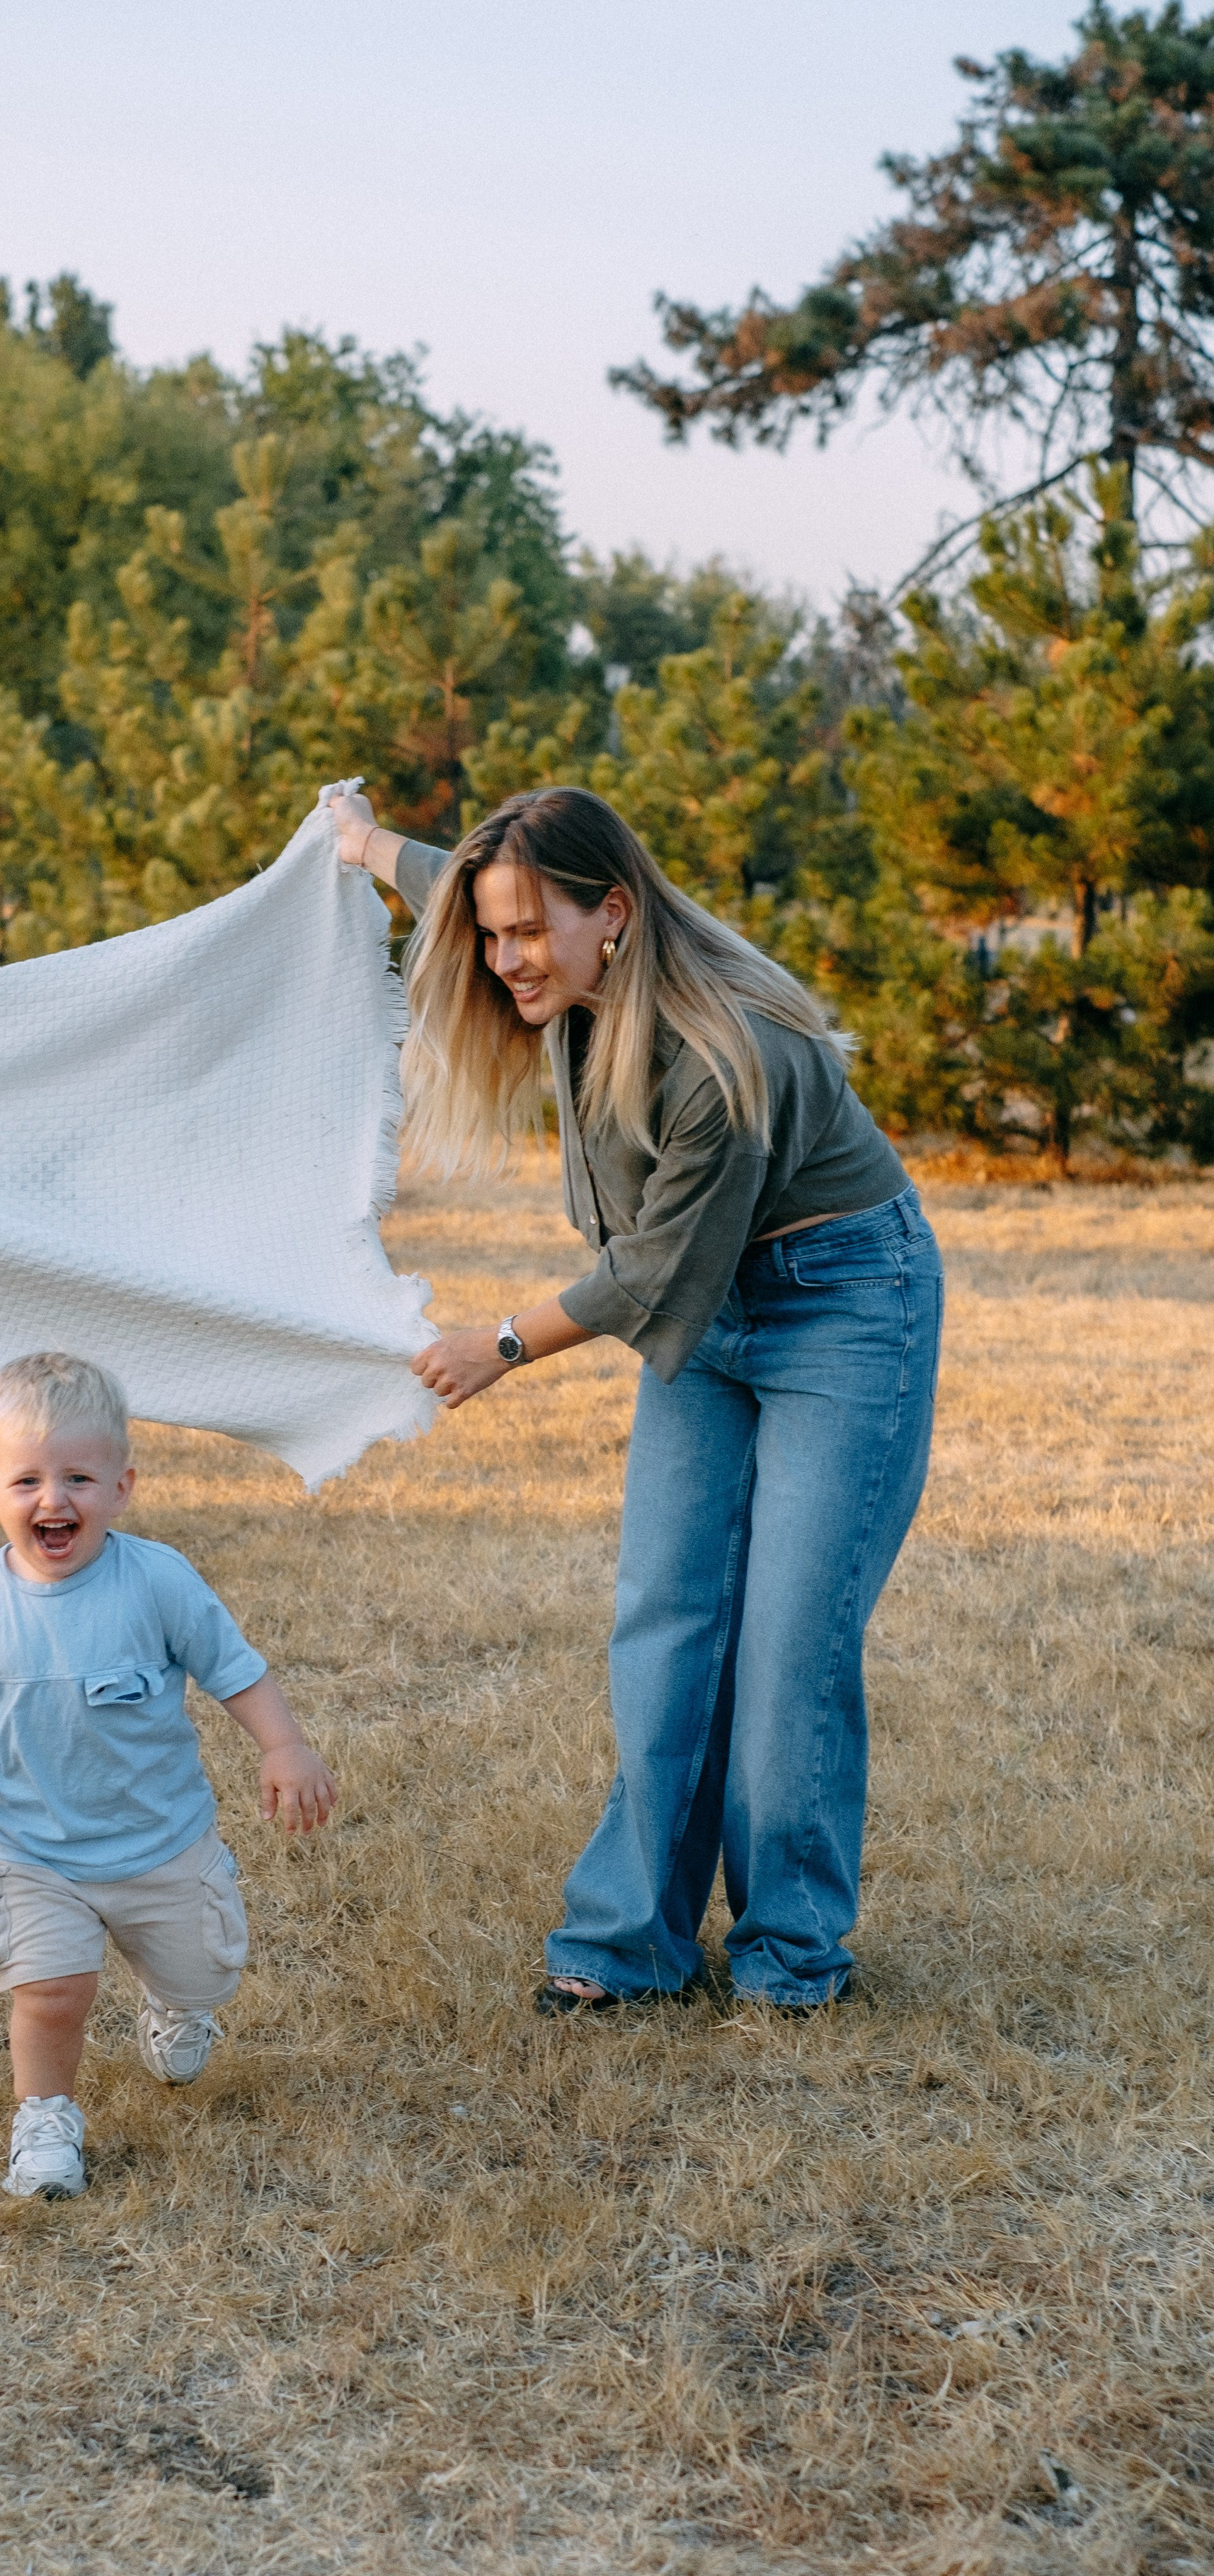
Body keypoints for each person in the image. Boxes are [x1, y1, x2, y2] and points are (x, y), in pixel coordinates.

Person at [328, 785, 943, 2015]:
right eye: (489, 934)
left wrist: (499, 1344)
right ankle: (629, 1945)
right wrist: (359, 841)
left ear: (610, 913)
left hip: (843, 1305)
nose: (502, 961)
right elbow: (455, 876)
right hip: (709, 1320)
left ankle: (789, 1956)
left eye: (526, 934)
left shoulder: (721, 1053)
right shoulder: (557, 947)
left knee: (788, 1647)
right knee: (665, 1619)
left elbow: (653, 1267)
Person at [0, 1350, 334, 2198]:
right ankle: (44, 2122)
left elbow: (233, 1668)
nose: (53, 1500)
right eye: (26, 1480)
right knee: (53, 1990)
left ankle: (176, 2005)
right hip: (39, 1854)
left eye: (78, 1477)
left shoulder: (156, 1580)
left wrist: (282, 1746)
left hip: (160, 1842)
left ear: (121, 1487)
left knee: (204, 1973)